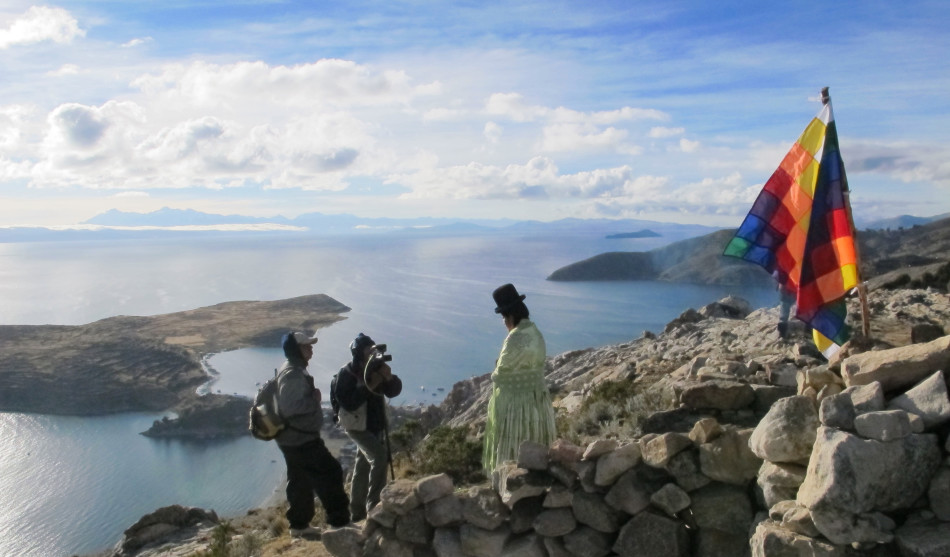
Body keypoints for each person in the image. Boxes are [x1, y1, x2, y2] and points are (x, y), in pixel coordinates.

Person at [274, 331, 350, 539]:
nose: (311, 348)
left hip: (292, 438)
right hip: (301, 439)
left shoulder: (294, 368)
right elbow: (290, 407)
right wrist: (314, 399)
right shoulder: (292, 373)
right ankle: (340, 523)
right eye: (306, 345)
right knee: (331, 472)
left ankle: (299, 525)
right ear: (296, 349)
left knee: (300, 480)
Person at [482, 283, 557, 474]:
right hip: (537, 400)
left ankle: (509, 482)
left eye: (503, 316)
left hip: (516, 406)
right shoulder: (534, 331)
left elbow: (501, 374)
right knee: (536, 441)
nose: (503, 321)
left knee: (514, 450)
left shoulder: (514, 337)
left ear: (510, 316)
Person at [334, 333, 403, 521]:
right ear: (359, 353)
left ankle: (356, 512)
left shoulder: (375, 368)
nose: (372, 352)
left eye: (373, 348)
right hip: (356, 426)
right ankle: (374, 507)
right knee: (379, 457)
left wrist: (388, 379)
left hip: (373, 424)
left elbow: (394, 390)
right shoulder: (347, 373)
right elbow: (348, 402)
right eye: (368, 349)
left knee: (362, 466)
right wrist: (370, 384)